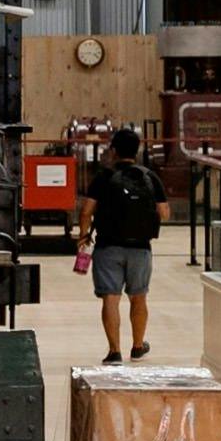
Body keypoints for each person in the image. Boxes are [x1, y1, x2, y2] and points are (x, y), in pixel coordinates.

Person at [85, 126, 165, 365]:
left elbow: (87, 210)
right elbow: (164, 212)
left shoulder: (104, 177)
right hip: (141, 247)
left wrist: (82, 234)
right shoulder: (149, 177)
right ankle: (138, 347)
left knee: (111, 298)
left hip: (108, 246)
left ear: (113, 150)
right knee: (138, 297)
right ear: (137, 150)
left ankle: (114, 351)